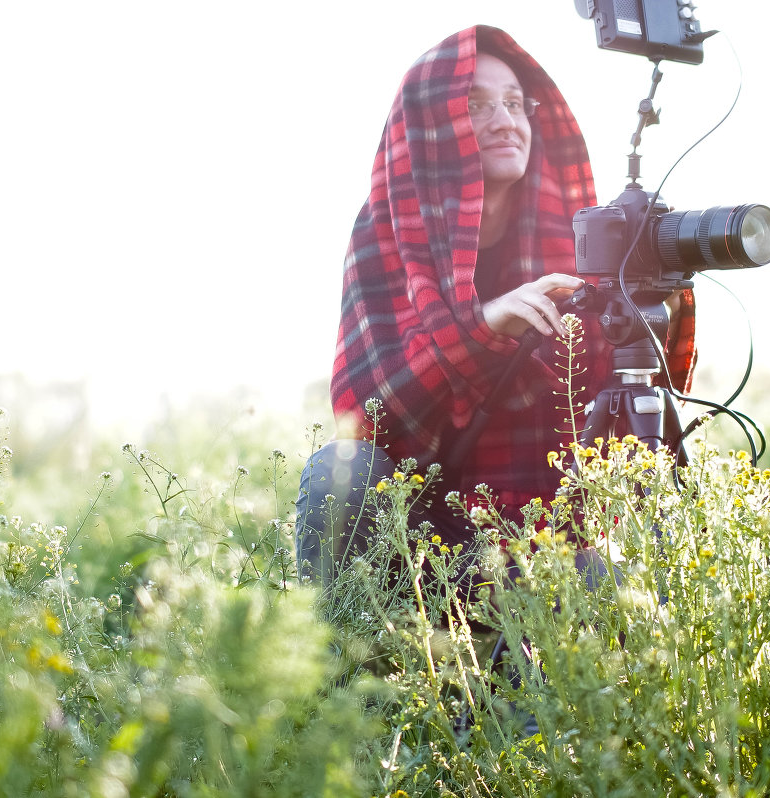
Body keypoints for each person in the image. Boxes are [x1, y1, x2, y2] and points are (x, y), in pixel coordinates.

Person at [295, 25, 697, 586]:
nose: (505, 120)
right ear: (432, 127)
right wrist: (481, 328)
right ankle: (343, 666)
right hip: (430, 541)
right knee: (336, 475)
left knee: (628, 576)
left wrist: (659, 304)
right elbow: (366, 417)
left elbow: (623, 400)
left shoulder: (577, 244)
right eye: (475, 105)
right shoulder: (386, 238)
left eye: (514, 103)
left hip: (552, 541)